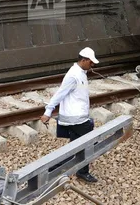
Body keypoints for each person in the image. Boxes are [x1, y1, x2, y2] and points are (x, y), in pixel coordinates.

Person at [40, 47, 100, 183]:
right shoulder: (73, 75)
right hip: (76, 119)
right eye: (91, 62)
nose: (93, 65)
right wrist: (48, 111)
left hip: (78, 117)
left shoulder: (81, 72)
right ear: (83, 60)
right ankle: (82, 172)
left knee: (74, 147)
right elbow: (59, 94)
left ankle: (52, 168)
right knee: (88, 144)